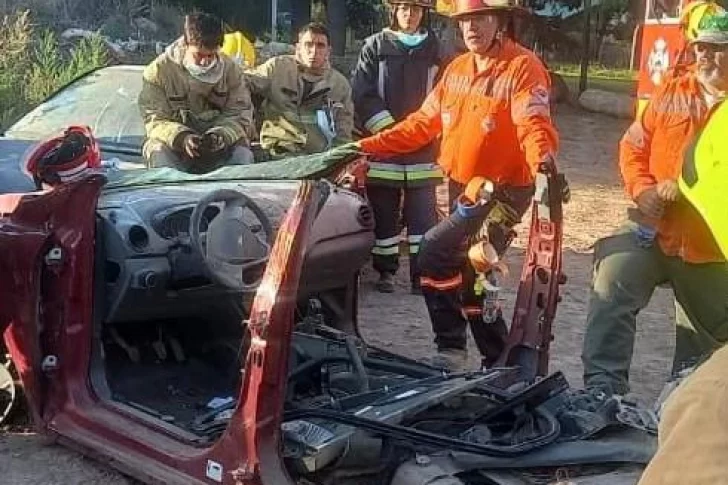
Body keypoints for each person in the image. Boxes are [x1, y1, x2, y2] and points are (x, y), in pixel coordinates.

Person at [356, 0, 560, 371]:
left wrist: (542, 165)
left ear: (500, 22)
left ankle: (478, 354)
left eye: (480, 18)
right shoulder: (456, 70)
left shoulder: (522, 67)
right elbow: (421, 124)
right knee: (460, 269)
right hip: (463, 187)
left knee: (455, 259)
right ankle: (480, 354)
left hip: (504, 190)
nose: (471, 28)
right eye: (465, 20)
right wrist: (364, 147)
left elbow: (533, 124)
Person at [581, 11, 728, 398]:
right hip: (651, 228)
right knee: (612, 280)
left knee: (707, 342)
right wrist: (642, 189)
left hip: (712, 246)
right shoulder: (671, 92)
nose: (707, 57)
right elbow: (633, 145)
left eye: (718, 49)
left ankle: (681, 406)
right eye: (702, 48)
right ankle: (602, 391)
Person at [351, 0, 445, 294]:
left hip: (424, 144)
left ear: (424, 12)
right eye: (403, 7)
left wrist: (422, 132)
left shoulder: (436, 49)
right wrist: (391, 131)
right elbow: (363, 93)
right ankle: (386, 271)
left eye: (415, 8)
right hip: (386, 143)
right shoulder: (375, 46)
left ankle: (421, 274)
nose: (409, 14)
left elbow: (446, 91)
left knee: (423, 216)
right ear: (394, 10)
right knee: (384, 211)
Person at [138, 12, 255, 173]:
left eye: (211, 55)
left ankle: (233, 193)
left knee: (243, 151)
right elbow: (154, 119)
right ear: (185, 44)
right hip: (176, 151)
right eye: (199, 55)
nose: (206, 61)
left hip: (220, 151)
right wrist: (182, 138)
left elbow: (241, 114)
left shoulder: (231, 71)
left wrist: (220, 136)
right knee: (155, 148)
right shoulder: (159, 72)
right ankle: (170, 194)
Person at [245, 23, 355, 159]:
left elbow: (343, 131)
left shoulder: (339, 85)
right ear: (298, 48)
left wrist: (339, 161)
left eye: (320, 46)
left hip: (318, 156)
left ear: (328, 51)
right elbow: (243, 82)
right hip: (278, 149)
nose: (314, 51)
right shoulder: (278, 68)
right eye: (308, 44)